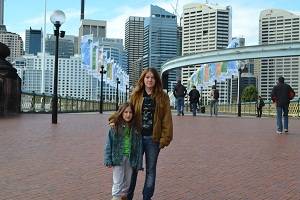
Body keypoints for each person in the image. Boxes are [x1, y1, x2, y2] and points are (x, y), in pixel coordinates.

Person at [128, 67, 173, 200]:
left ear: (156, 80)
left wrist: (164, 139)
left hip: (153, 139)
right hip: (137, 137)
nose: (149, 80)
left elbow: (167, 119)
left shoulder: (162, 97)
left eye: (152, 77)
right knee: (133, 169)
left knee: (151, 171)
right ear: (143, 79)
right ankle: (128, 196)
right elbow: (127, 112)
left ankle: (147, 197)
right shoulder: (136, 95)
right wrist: (113, 120)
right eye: (147, 77)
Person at [104, 103, 143, 200]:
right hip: (118, 158)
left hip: (130, 158)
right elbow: (109, 144)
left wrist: (139, 162)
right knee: (118, 181)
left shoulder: (135, 129)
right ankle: (116, 198)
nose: (128, 114)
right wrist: (107, 159)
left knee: (127, 182)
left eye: (130, 112)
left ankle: (123, 197)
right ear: (121, 113)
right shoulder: (115, 127)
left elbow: (139, 147)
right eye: (125, 112)